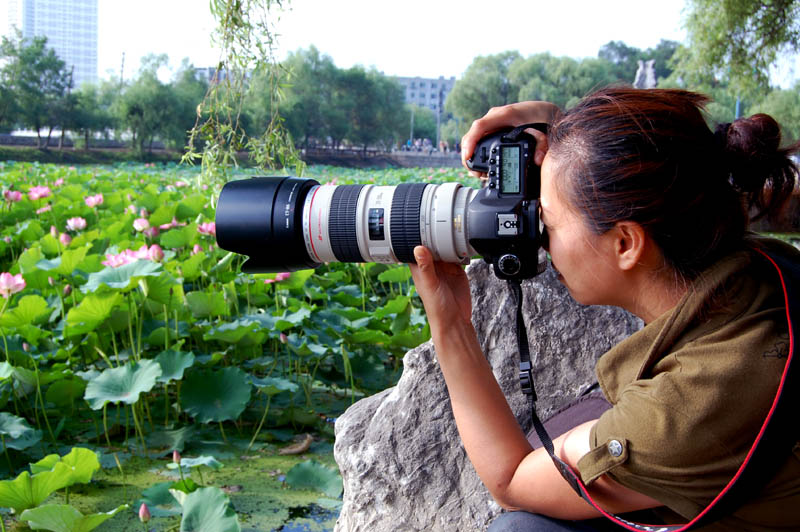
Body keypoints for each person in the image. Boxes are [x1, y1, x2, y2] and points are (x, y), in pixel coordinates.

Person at [408, 86, 800, 531]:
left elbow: (512, 479)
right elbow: (658, 159)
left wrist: (452, 326)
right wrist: (565, 130)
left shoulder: (682, 411)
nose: (538, 235)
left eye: (548, 220)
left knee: (523, 530)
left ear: (625, 243)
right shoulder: (761, 265)